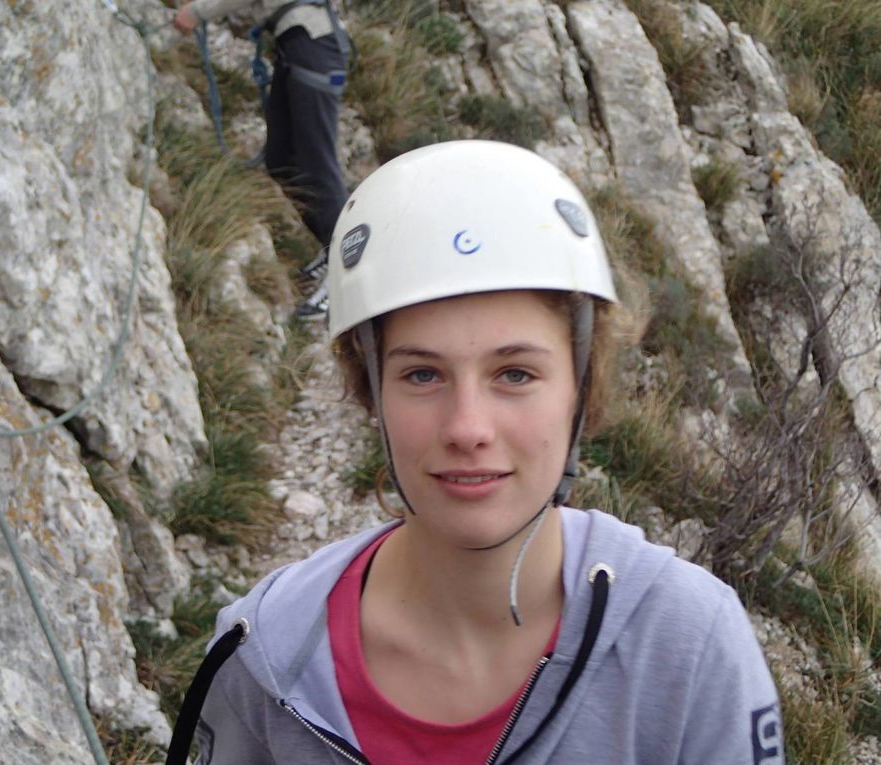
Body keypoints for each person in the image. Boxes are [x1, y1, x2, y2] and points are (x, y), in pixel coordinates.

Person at [165, 140, 784, 765]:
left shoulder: (688, 647)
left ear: (582, 388)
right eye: (422, 375)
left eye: (515, 374)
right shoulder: (265, 654)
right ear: (369, 392)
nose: (467, 427)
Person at [173, 0, 350, 320]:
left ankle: (346, 274)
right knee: (281, 160)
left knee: (317, 166)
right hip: (297, 47)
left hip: (313, 45)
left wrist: (197, 12)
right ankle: (330, 243)